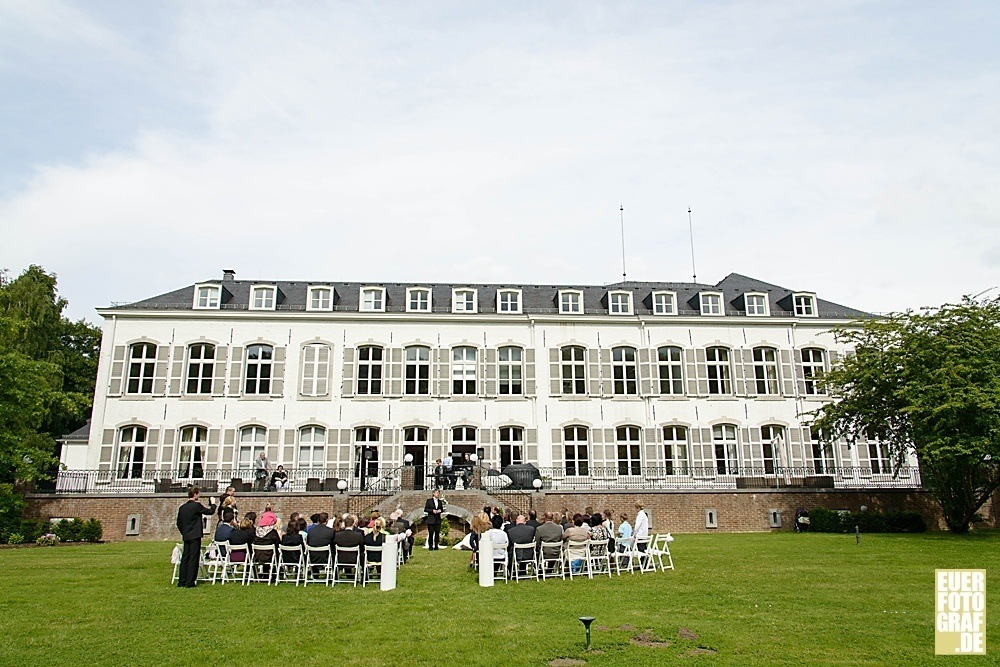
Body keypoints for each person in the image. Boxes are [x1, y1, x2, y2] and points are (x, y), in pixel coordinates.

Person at [175, 487, 217, 588]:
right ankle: (190, 582)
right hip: (195, 535)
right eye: (198, 494)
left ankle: (182, 581)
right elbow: (210, 512)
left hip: (186, 535)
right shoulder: (196, 506)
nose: (199, 496)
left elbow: (179, 523)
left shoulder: (182, 507)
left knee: (185, 558)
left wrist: (184, 532)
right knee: (193, 558)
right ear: (195, 494)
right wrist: (213, 504)